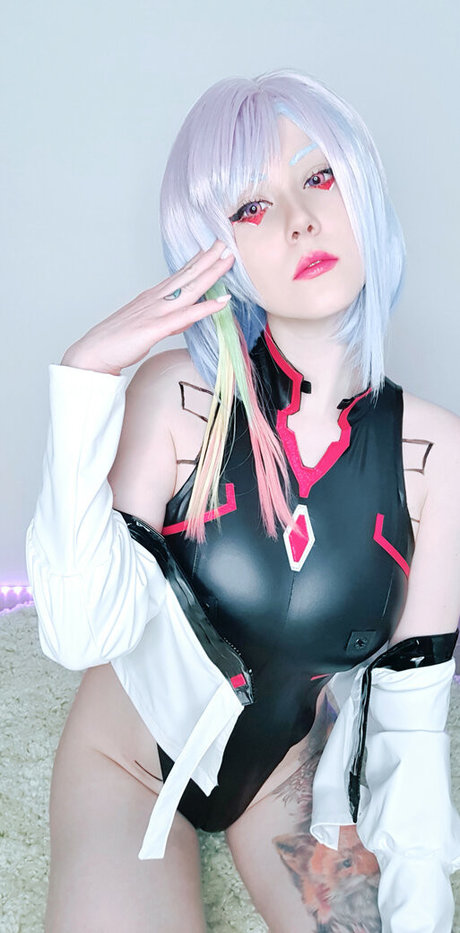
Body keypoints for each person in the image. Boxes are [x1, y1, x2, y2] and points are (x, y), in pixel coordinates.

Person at [25, 69, 460, 932]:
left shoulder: (438, 454)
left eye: (319, 175)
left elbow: (407, 729)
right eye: (252, 206)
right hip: (127, 767)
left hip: (283, 785)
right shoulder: (177, 395)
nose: (300, 219)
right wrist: (84, 382)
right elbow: (77, 633)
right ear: (213, 246)